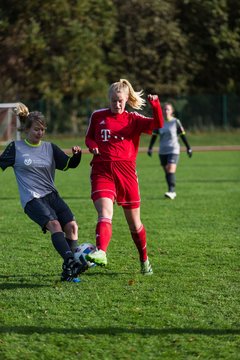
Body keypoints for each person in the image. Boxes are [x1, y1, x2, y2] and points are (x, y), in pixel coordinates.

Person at [85, 78, 164, 275]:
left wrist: (156, 105)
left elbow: (158, 125)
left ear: (127, 99)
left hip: (126, 173)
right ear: (108, 99)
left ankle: (144, 260)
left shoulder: (133, 119)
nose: (117, 104)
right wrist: (91, 145)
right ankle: (101, 251)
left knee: (134, 224)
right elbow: (89, 136)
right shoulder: (97, 116)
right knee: (105, 213)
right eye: (113, 100)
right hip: (102, 170)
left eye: (120, 100)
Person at [0, 103, 86, 282]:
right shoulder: (15, 148)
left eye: (42, 130)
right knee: (55, 225)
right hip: (32, 199)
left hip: (51, 196)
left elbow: (67, 165)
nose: (39, 133)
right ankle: (71, 261)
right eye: (36, 129)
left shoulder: (50, 148)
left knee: (72, 226)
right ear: (27, 129)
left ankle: (68, 271)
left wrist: (76, 157)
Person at [147, 102, 192, 199]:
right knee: (167, 172)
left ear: (172, 111)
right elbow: (154, 136)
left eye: (168, 109)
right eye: (164, 109)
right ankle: (171, 190)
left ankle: (171, 191)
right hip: (162, 151)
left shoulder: (176, 122)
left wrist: (188, 147)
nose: (166, 111)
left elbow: (182, 135)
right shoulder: (159, 122)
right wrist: (150, 148)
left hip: (174, 149)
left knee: (170, 169)